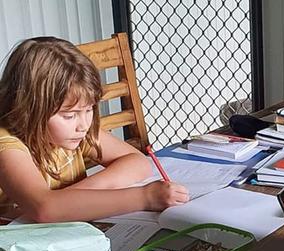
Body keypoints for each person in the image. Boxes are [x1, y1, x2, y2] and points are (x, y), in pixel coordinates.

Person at [0, 36, 188, 222]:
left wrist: (73, 196)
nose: (83, 124)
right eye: (69, 115)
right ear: (29, 109)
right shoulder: (6, 145)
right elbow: (45, 209)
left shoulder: (72, 131)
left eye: (89, 109)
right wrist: (144, 197)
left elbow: (138, 162)